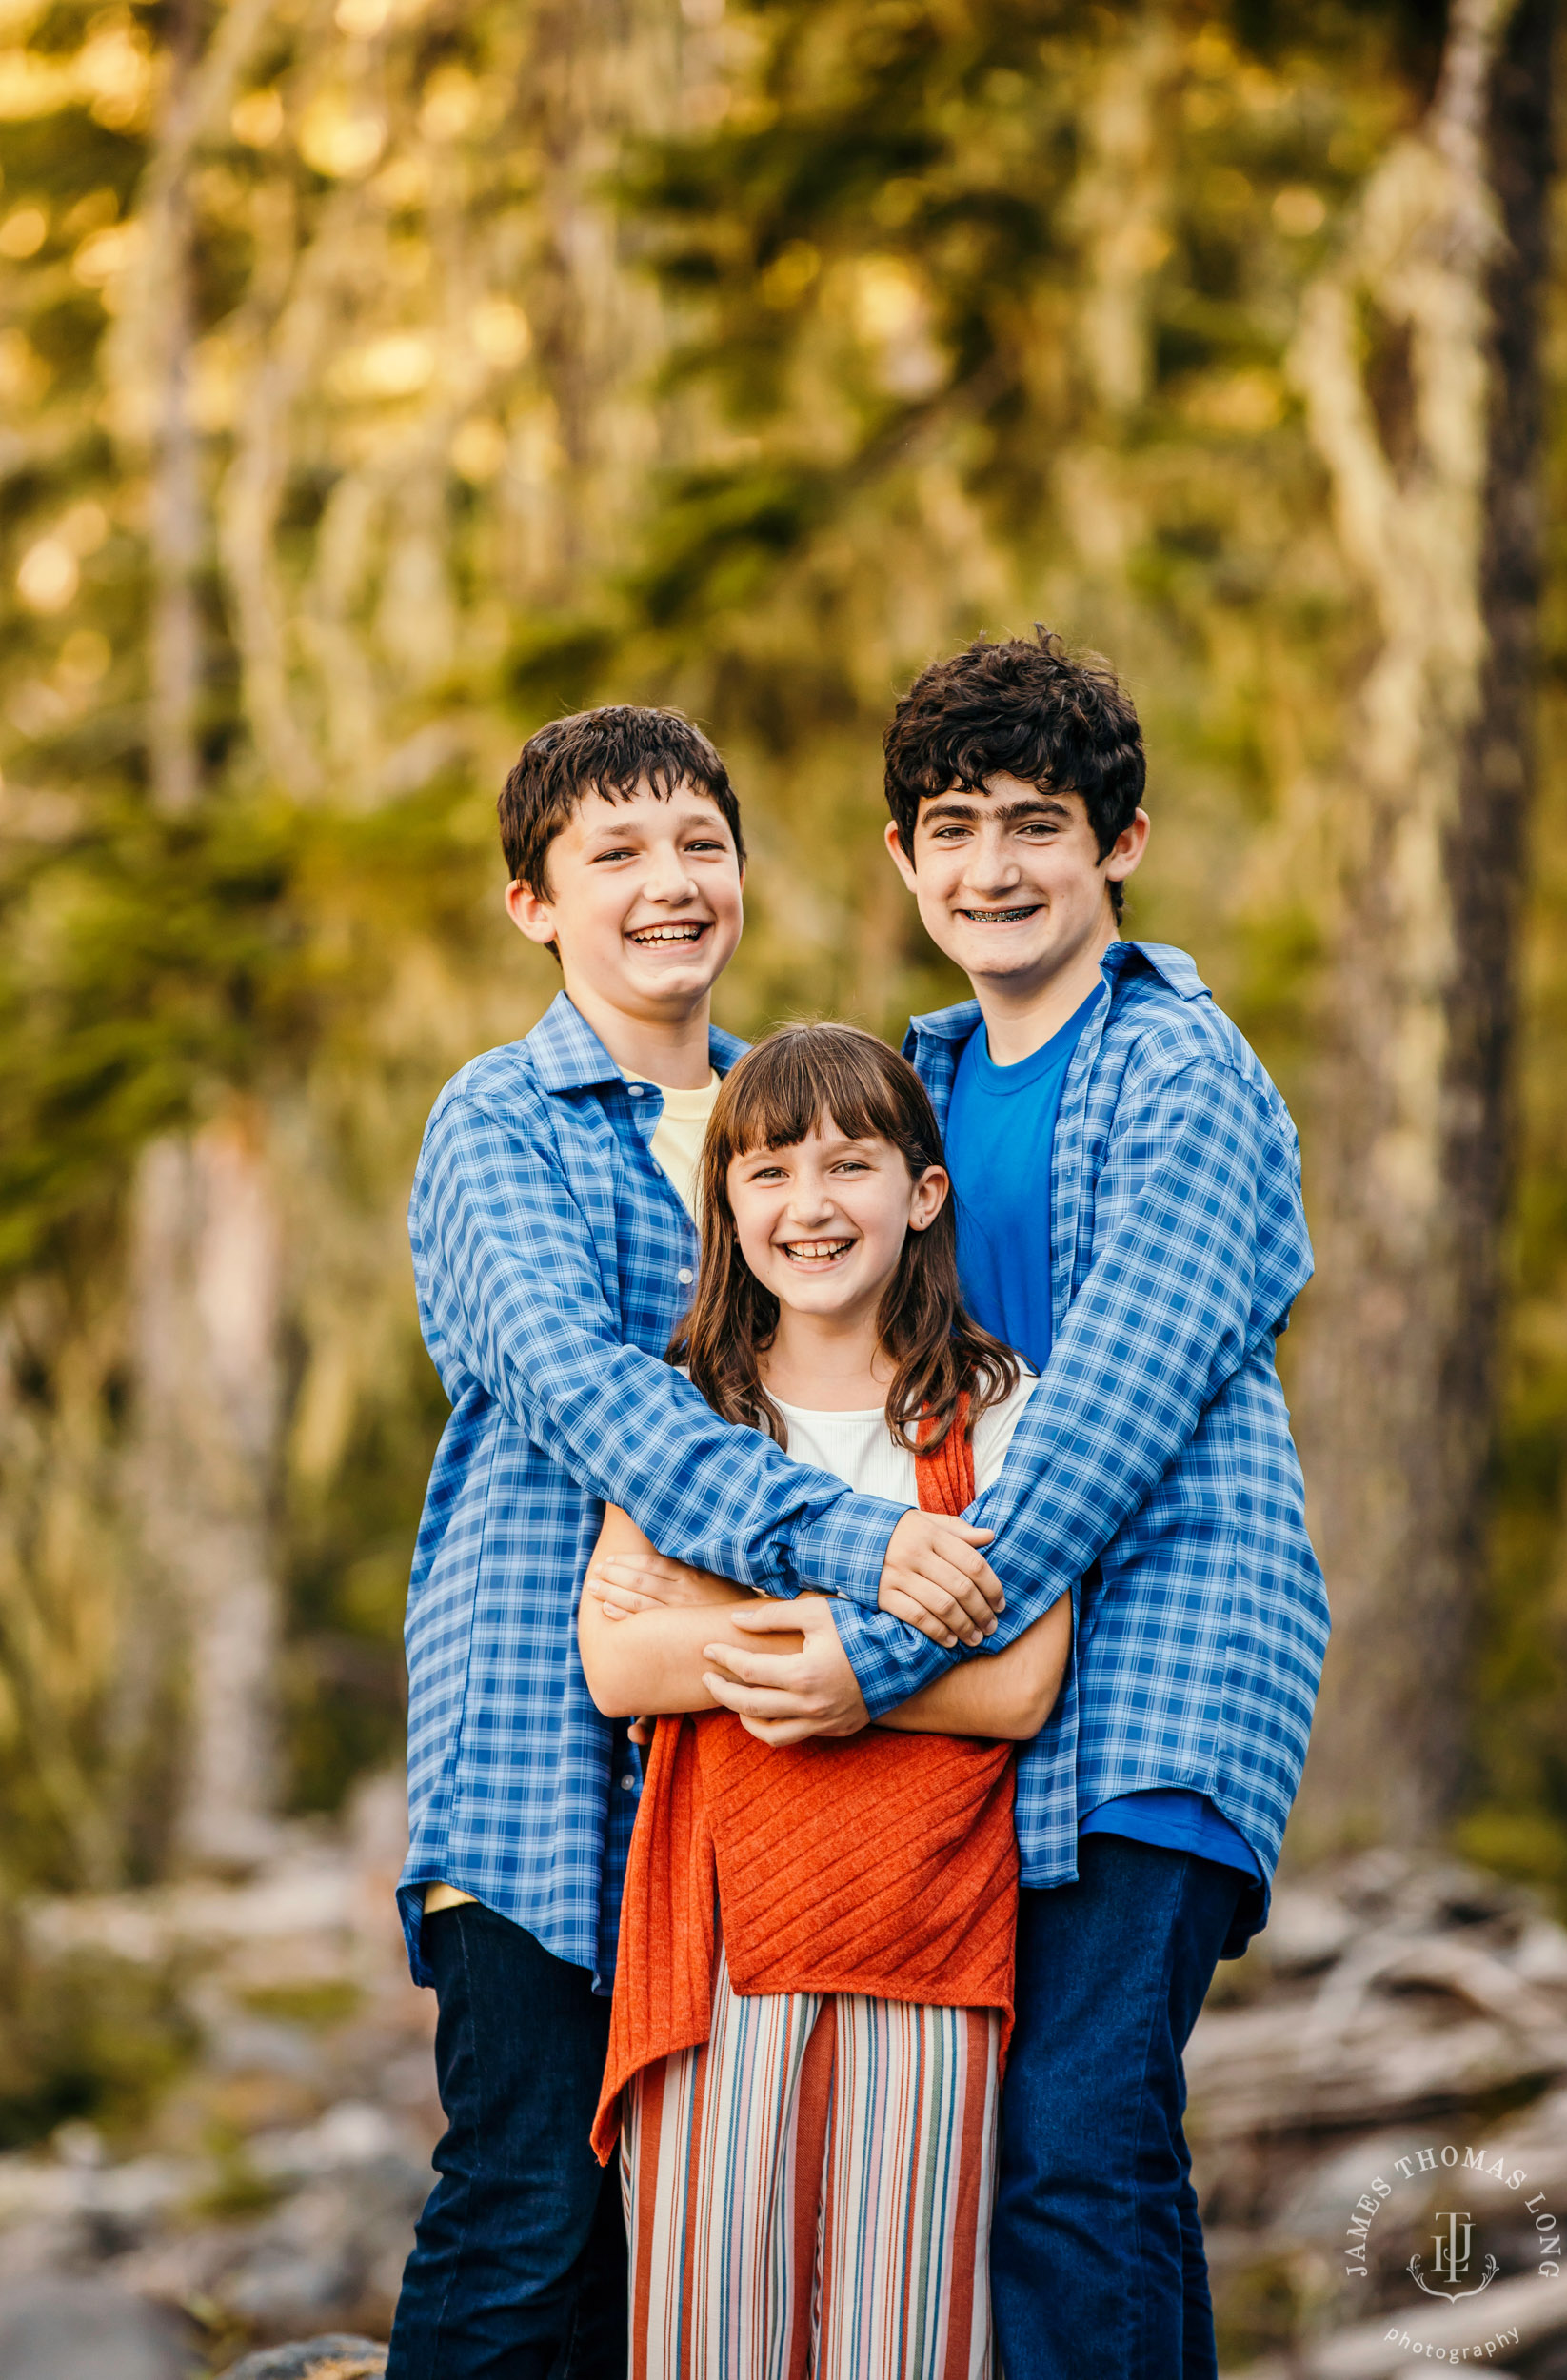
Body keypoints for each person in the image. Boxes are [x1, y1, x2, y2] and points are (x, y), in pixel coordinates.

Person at [696, 632, 1330, 2380]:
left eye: (1037, 825)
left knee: (1072, 2139)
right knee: (1084, 2152)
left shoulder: (1184, 1075)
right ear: (902, 858)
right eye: (954, 827)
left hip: (1169, 1660)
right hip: (1008, 1673)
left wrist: (875, 1652)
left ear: (1119, 844)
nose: (994, 869)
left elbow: (1106, 1424)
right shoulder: (928, 1084)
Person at [387, 705, 1005, 2380]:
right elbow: (595, 1399)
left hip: (753, 1795)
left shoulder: (783, 1122)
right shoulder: (501, 1123)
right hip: (546, 1744)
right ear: (533, 903)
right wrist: (860, 1548)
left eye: (699, 846)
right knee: (525, 2206)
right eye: (616, 854)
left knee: (658, 2247)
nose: (671, 884)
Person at [577, 1022, 1072, 2380]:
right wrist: (877, 1639)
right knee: (706, 2329)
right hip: (719, 1943)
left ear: (922, 1195)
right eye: (770, 1173)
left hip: (928, 1934)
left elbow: (1021, 1683)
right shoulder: (693, 1413)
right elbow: (618, 1663)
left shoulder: (998, 1409)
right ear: (727, 1210)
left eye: (851, 1166)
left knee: (903, 2336)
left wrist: (724, 1630)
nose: (811, 1206)